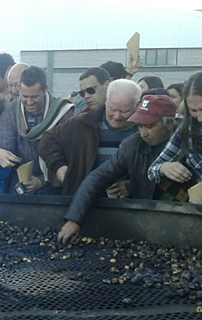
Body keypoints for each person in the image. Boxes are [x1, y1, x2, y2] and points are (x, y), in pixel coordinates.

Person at [58, 95, 179, 244]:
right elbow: (97, 178)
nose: (143, 133)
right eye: (140, 126)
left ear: (169, 124)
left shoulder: (192, 143)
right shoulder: (132, 146)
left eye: (150, 126)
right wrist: (74, 219)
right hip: (150, 223)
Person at [39, 79, 141, 196]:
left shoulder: (143, 130)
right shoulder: (83, 123)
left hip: (127, 206)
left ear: (137, 106)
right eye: (112, 109)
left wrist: (130, 186)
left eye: (124, 111)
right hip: (82, 200)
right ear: (106, 102)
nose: (117, 116)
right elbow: (47, 139)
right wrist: (59, 166)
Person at [148, 70, 202, 205]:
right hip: (201, 217)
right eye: (193, 110)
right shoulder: (187, 131)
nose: (201, 117)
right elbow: (152, 171)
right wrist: (165, 168)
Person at [0, 66, 75, 194]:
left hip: (53, 183)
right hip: (19, 181)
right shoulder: (10, 111)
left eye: (34, 97)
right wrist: (0, 152)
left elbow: (69, 155)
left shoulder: (63, 112)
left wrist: (42, 180)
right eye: (24, 96)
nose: (29, 102)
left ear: (45, 89)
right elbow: (6, 147)